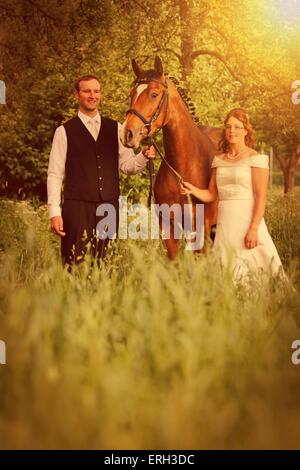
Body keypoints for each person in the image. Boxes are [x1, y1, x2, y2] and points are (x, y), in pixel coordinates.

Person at [47, 75, 155, 266]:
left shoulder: (116, 128)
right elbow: (55, 174)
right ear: (76, 94)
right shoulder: (64, 131)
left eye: (96, 91)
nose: (93, 95)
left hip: (109, 207)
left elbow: (127, 166)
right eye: (87, 91)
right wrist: (54, 212)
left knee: (105, 265)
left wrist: (144, 156)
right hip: (77, 208)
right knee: (74, 264)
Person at [180, 108, 283, 281]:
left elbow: (260, 197)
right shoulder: (219, 160)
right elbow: (211, 195)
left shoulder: (256, 159)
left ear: (245, 130)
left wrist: (253, 229)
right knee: (227, 273)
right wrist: (192, 189)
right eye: (228, 127)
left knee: (255, 271)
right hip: (225, 225)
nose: (232, 131)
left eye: (237, 127)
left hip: (247, 222)